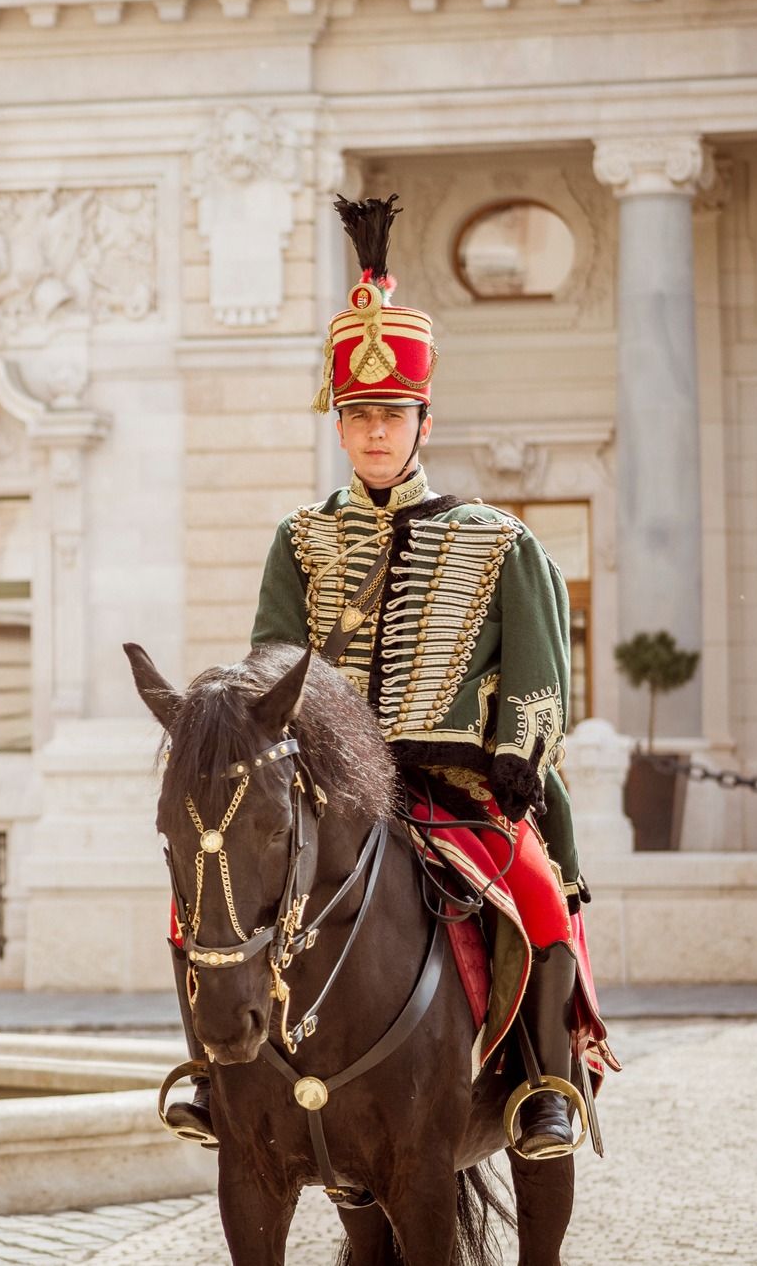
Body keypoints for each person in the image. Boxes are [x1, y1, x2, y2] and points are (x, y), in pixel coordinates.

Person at [164, 194, 596, 1161]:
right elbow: (271, 663)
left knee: (533, 886)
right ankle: (212, 1071)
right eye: (357, 415)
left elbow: (537, 674)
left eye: (390, 415)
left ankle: (543, 1083)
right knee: (203, 891)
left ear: (423, 418)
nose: (372, 433)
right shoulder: (302, 538)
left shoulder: (497, 541)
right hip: (329, 793)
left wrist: (520, 757)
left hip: (452, 785)